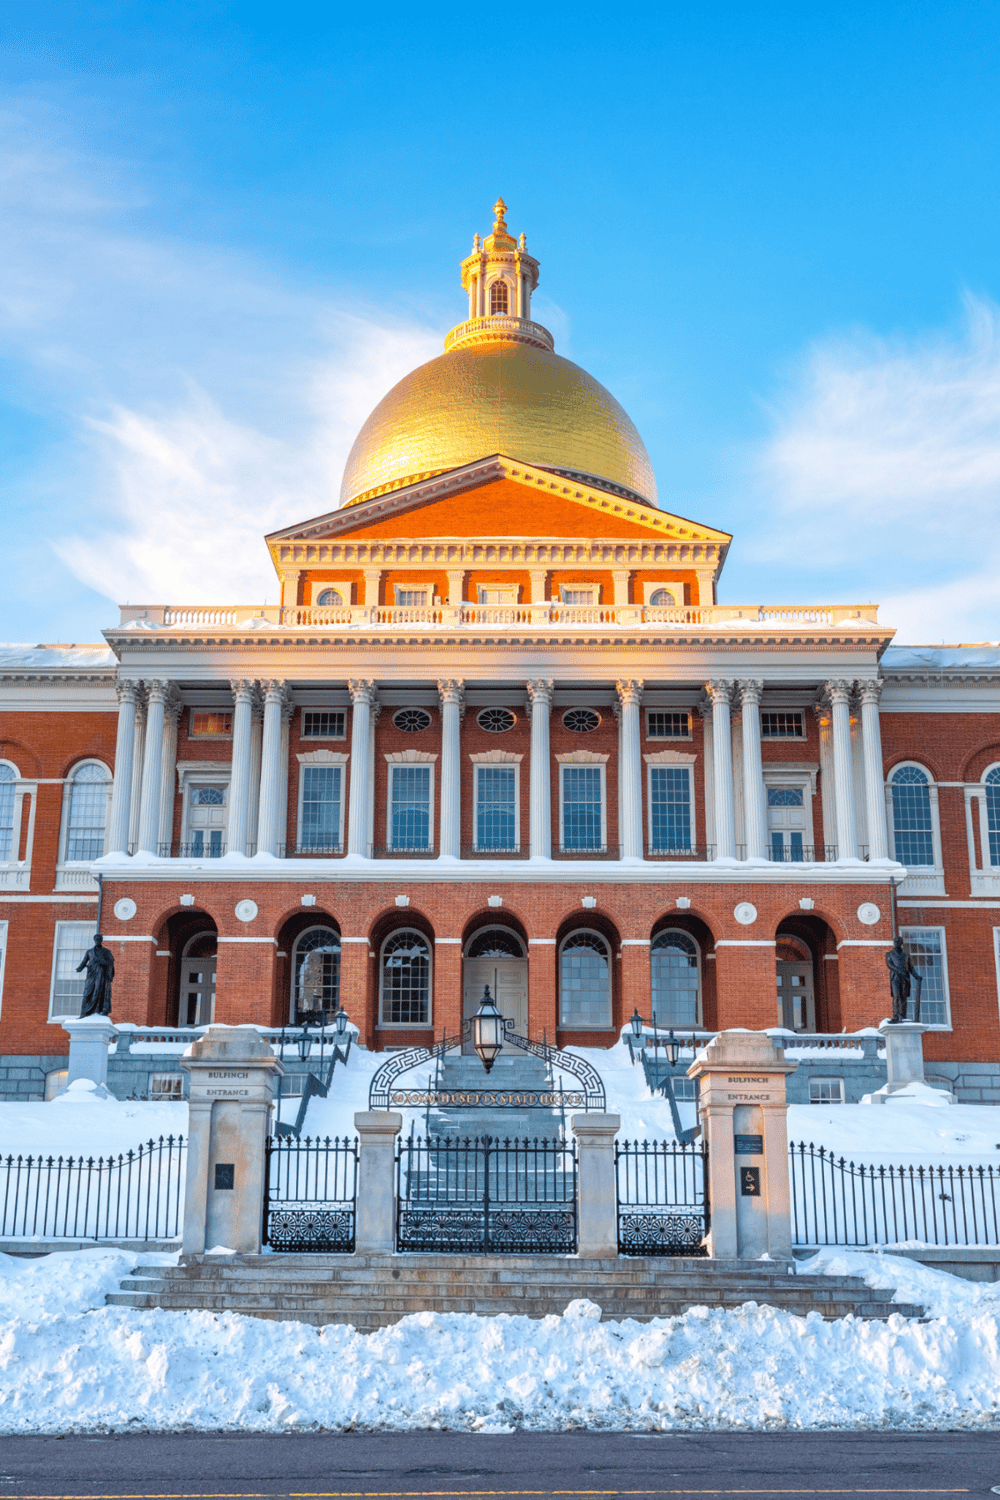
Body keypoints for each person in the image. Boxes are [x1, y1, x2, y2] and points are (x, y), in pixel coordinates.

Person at [76, 933, 115, 1017]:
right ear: (94, 940)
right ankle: (85, 1013)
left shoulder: (106, 951)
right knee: (88, 991)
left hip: (102, 976)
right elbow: (84, 962)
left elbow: (110, 962)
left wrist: (102, 962)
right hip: (92, 975)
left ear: (101, 940)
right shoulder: (89, 951)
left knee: (100, 991)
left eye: (99, 939)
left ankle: (98, 1010)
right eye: (96, 939)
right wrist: (80, 968)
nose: (98, 941)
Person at [885, 936, 921, 1023]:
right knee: (896, 996)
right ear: (894, 943)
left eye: (899, 942)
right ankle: (896, 1016)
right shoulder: (889, 954)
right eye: (896, 942)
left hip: (905, 978)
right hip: (895, 978)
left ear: (901, 943)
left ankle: (903, 1015)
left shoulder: (906, 955)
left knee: (903, 997)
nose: (897, 943)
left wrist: (916, 976)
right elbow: (890, 965)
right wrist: (899, 970)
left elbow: (911, 967)